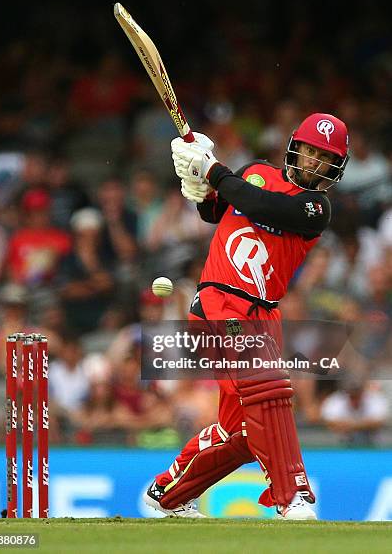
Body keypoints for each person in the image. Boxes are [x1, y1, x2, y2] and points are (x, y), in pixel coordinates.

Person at [143, 112, 350, 520]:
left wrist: (212, 169)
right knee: (268, 382)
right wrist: (197, 184)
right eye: (308, 151)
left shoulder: (317, 208)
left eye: (322, 157)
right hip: (220, 299)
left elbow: (261, 205)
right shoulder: (255, 170)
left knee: (240, 433)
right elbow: (216, 210)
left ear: (334, 168)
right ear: (295, 147)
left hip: (263, 314)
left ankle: (166, 494)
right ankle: (292, 494)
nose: (312, 162)